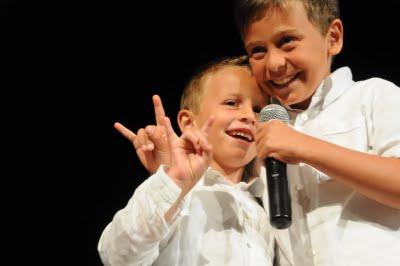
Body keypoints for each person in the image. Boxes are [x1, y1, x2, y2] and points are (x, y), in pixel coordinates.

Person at [233, 0, 400, 265]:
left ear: (332, 38)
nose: (274, 63)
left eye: (287, 41)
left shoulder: (373, 96)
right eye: (258, 51)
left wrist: (304, 147)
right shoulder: (259, 132)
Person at [98, 56, 277, 265]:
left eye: (258, 109)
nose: (249, 115)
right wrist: (174, 182)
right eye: (231, 103)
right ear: (188, 122)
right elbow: (119, 255)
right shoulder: (178, 196)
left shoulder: (263, 209)